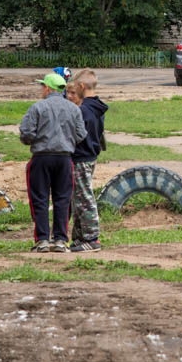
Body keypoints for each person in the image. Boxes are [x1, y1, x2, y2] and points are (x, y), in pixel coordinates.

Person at [20, 72, 86, 253]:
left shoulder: (37, 108)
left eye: (42, 86)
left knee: (39, 199)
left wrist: (35, 140)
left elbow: (26, 133)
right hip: (65, 158)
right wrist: (67, 140)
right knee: (63, 199)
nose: (41, 89)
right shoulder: (74, 109)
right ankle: (60, 240)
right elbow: (81, 134)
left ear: (48, 88)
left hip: (41, 158)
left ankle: (42, 240)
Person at [70, 69, 107, 253]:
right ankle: (78, 239)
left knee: (84, 198)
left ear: (82, 86)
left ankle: (92, 238)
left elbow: (79, 135)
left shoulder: (84, 110)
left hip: (81, 157)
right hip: (90, 156)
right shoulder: (97, 107)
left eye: (75, 89)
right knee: (77, 199)